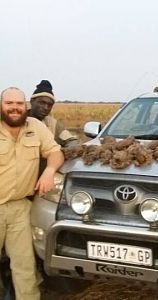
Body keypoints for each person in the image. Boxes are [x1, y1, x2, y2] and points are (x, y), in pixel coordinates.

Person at [0, 87, 64, 300]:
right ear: (2, 105)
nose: (14, 108)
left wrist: (49, 170)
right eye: (9, 103)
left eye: (19, 104)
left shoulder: (35, 127)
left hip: (20, 209)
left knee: (25, 268)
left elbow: (55, 151)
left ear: (25, 105)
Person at [28, 79, 79, 147]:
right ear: (32, 101)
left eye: (50, 105)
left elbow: (72, 141)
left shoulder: (53, 124)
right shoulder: (18, 120)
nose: (46, 107)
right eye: (42, 103)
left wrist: (60, 154)